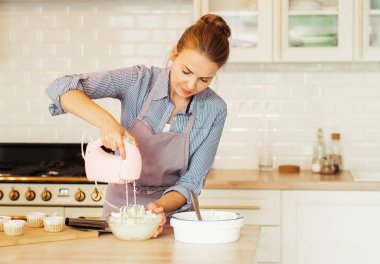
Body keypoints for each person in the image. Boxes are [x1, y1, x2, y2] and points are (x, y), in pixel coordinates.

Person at [46, 14, 231, 237]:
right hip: (120, 214)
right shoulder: (138, 81)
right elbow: (61, 87)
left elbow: (191, 181)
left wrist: (159, 208)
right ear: (174, 52)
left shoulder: (214, 109)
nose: (191, 85)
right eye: (186, 71)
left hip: (174, 221)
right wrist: (107, 122)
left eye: (204, 80)